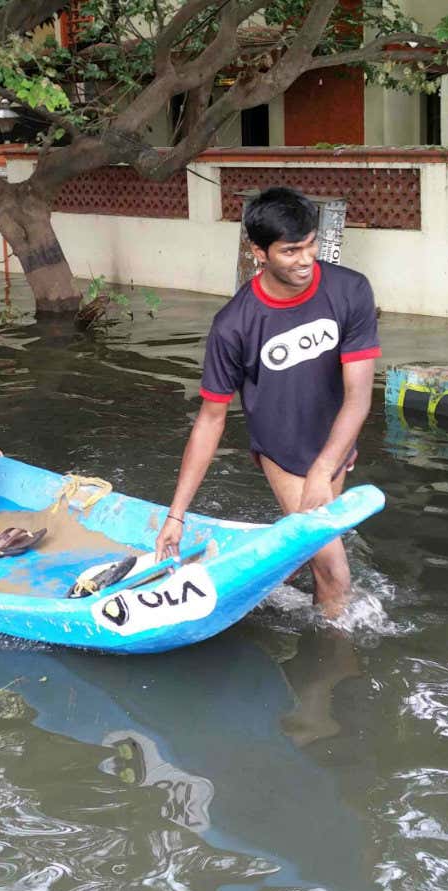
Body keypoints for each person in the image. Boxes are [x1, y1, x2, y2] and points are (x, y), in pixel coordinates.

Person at [155, 187, 379, 618]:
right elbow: (211, 419)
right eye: (291, 250)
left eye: (311, 244)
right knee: (334, 570)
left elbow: (358, 398)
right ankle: (332, 669)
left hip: (336, 442)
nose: (306, 258)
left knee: (315, 553)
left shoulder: (350, 291)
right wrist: (176, 515)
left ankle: (285, 574)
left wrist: (324, 468)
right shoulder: (233, 326)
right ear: (259, 252)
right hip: (283, 450)